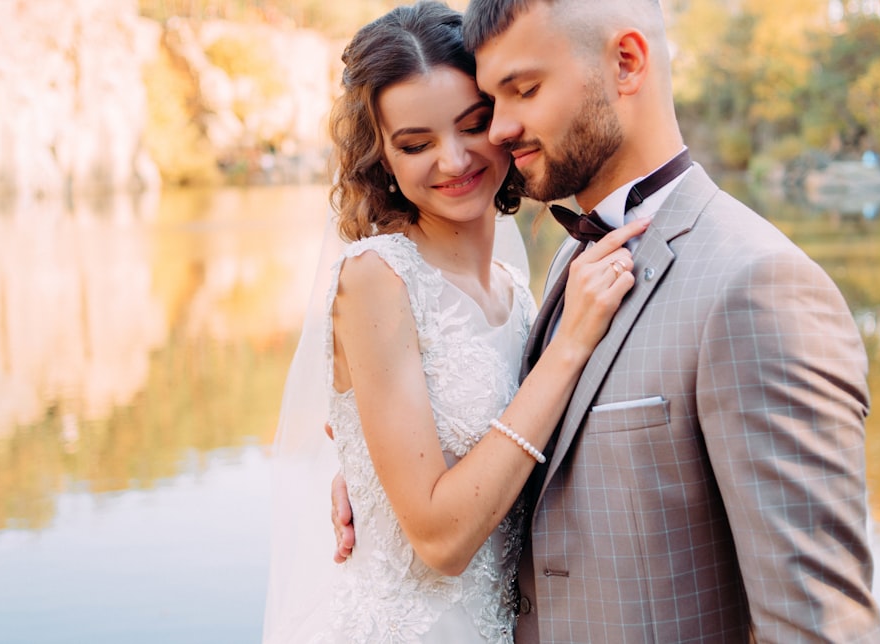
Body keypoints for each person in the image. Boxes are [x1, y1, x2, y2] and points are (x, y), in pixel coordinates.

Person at [332, 0, 880, 641]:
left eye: (523, 91)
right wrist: (374, 474)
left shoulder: (760, 288)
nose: (502, 130)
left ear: (626, 63)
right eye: (495, 101)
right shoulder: (573, 258)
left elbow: (817, 623)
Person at [262, 3, 649, 642]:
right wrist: (571, 345)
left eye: (472, 126)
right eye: (416, 144)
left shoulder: (514, 289)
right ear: (381, 157)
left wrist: (368, 475)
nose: (453, 160)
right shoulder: (376, 280)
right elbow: (440, 541)